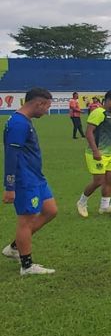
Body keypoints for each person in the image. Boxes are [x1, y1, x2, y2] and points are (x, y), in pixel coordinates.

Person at [2, 88, 58, 275]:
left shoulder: (24, 121)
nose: (47, 111)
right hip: (24, 179)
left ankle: (14, 247)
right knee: (26, 221)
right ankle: (26, 266)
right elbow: (11, 156)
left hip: (36, 177)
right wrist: (10, 186)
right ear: (38, 103)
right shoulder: (19, 124)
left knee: (50, 210)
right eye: (47, 107)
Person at [76, 89, 111, 217]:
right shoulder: (98, 112)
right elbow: (89, 132)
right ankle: (82, 202)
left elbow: (109, 136)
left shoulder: (109, 114)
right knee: (98, 181)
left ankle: (104, 207)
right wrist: (95, 151)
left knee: (110, 179)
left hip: (110, 153)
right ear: (108, 100)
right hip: (97, 153)